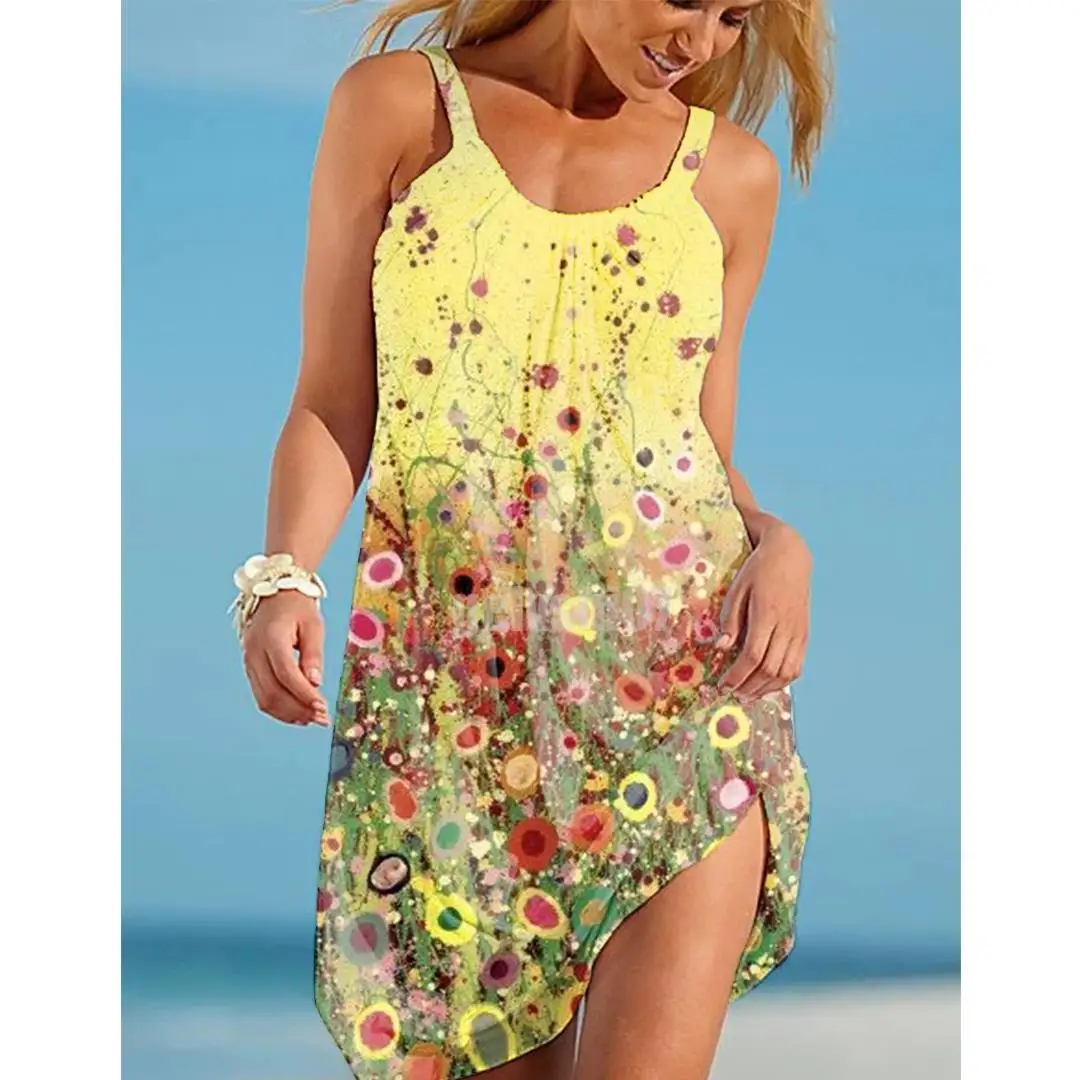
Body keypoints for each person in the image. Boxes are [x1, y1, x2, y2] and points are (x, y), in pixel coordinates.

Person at [230, 2, 832, 1077]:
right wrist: (283, 573)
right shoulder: (399, 109)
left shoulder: (730, 180)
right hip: (451, 727)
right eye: (687, 0)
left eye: (735, 16)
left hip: (680, 707)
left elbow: (698, 447)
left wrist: (780, 542)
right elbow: (331, 396)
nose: (701, 42)